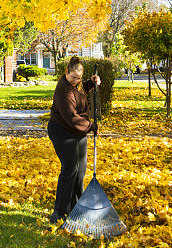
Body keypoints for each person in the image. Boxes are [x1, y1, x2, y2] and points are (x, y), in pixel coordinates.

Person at [47, 56, 101, 224]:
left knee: (80, 171)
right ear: (66, 72)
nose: (76, 80)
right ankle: (59, 212)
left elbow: (80, 90)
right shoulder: (63, 91)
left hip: (77, 131)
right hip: (62, 131)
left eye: (79, 77)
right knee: (70, 169)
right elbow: (72, 118)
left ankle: (77, 207)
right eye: (73, 77)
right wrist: (91, 126)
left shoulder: (76, 85)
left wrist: (90, 83)